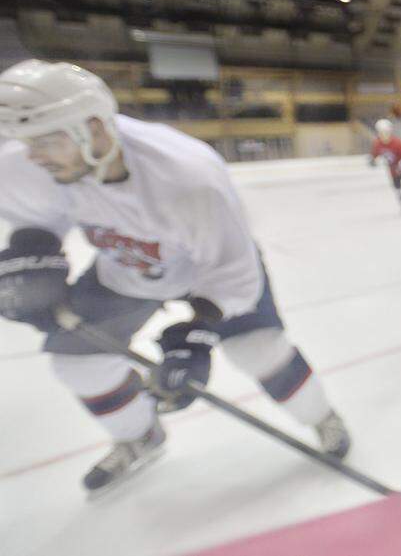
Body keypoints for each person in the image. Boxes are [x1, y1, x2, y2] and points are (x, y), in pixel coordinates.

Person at [0, 60, 352, 495]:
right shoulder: (30, 163)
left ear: (91, 126)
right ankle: (140, 436)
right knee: (78, 364)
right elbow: (37, 221)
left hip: (208, 270)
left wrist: (197, 333)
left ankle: (321, 416)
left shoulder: (186, 175)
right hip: (123, 269)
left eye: (45, 142)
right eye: (27, 143)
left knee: (259, 350)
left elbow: (231, 272)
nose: (33, 155)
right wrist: (30, 259)